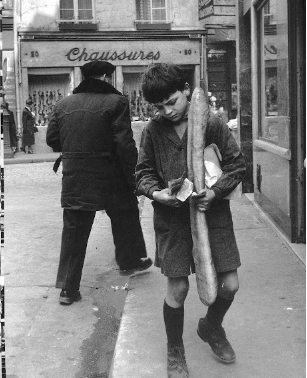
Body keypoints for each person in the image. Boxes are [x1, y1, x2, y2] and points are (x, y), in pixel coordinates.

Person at [135, 64, 246, 377]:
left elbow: (237, 166)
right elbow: (142, 173)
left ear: (186, 90)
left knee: (229, 285)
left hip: (214, 218)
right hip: (173, 221)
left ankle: (211, 327)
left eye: (172, 102)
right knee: (179, 289)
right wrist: (157, 194)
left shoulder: (211, 124)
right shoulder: (153, 131)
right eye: (158, 107)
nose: (167, 111)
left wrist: (215, 193)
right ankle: (175, 351)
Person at [46, 61, 152, 305]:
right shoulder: (116, 102)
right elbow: (124, 145)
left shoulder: (63, 104)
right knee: (126, 213)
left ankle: (68, 290)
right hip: (110, 177)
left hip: (75, 178)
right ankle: (129, 261)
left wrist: (77, 147)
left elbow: (53, 140)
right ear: (106, 77)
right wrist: (135, 178)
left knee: (74, 232)